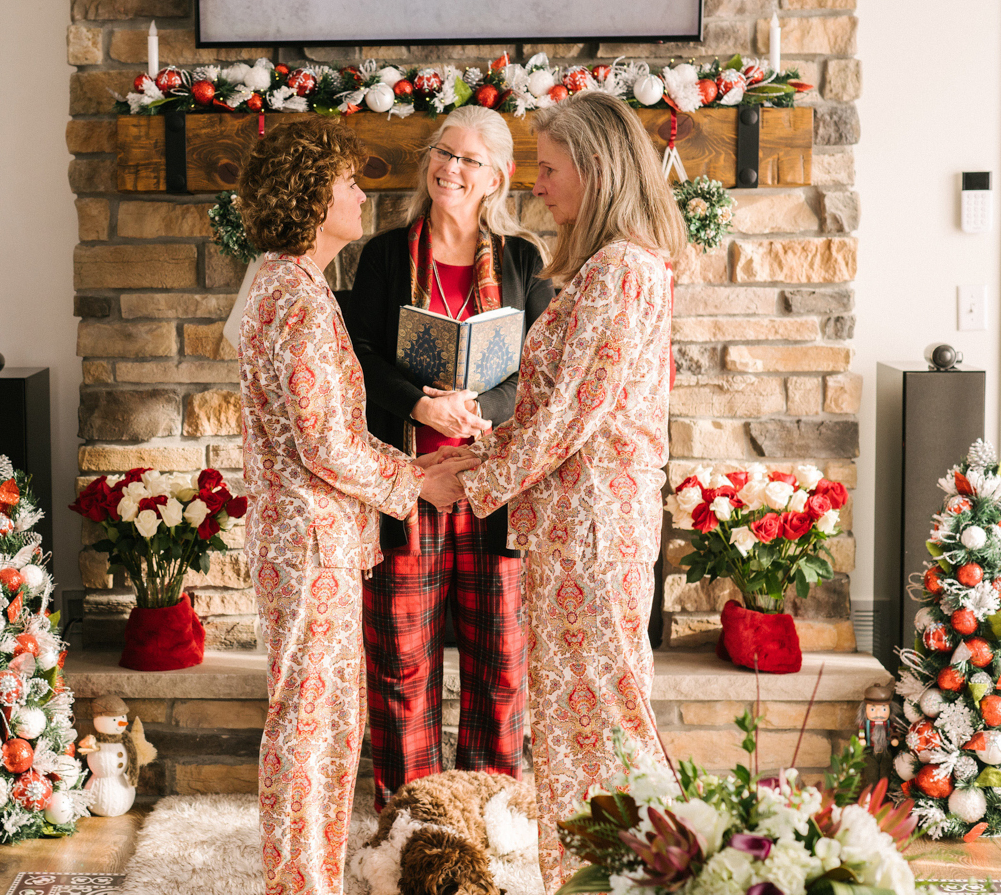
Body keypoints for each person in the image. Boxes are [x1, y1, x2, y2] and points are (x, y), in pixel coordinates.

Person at [444, 92, 682, 888]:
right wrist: (482, 456)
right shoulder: (609, 267)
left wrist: (471, 484)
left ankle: (656, 875)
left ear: (595, 167)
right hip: (569, 531)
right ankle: (589, 876)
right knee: (574, 724)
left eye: (548, 169)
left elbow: (566, 421)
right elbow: (551, 413)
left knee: (606, 722)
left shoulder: (621, 271)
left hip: (592, 531)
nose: (537, 186)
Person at [237, 119, 474, 895]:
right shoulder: (298, 301)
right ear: (311, 200)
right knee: (313, 729)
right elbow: (325, 445)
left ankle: (304, 877)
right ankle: (300, 883)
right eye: (346, 183)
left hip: (308, 541)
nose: (361, 194)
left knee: (320, 724)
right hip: (312, 546)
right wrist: (417, 482)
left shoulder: (283, 284)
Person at [347, 105, 554, 811]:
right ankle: (410, 822)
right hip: (410, 490)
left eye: (469, 160)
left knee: (500, 669)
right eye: (444, 152)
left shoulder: (524, 261)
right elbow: (357, 360)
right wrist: (421, 405)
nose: (451, 168)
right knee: (403, 668)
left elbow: (540, 372)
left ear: (497, 177)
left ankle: (487, 819)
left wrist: (482, 408)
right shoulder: (383, 255)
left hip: (491, 493)